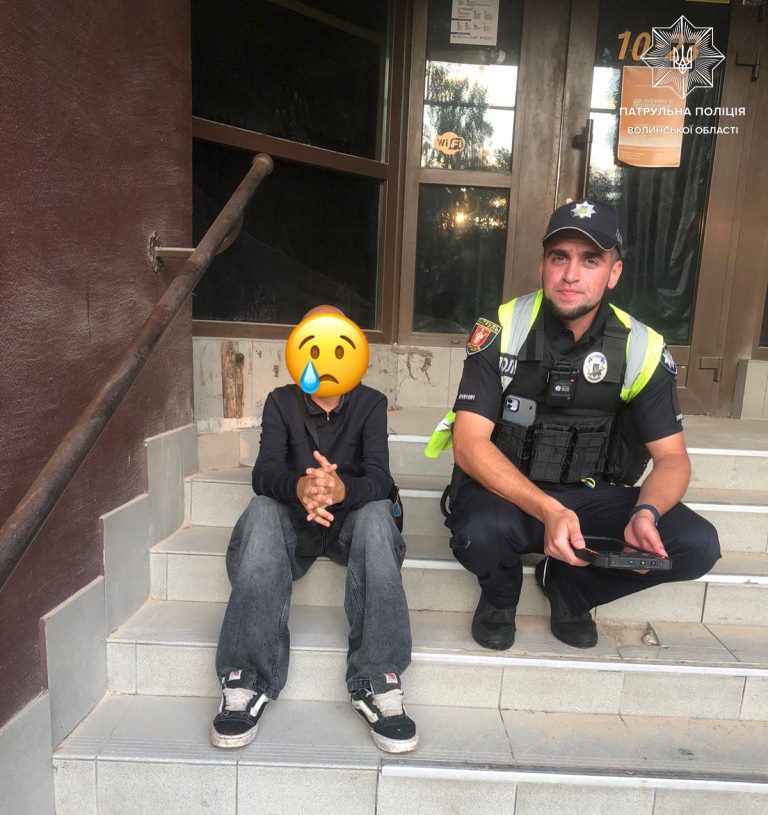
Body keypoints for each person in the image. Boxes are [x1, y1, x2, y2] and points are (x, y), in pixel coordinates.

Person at [427, 200, 721, 650]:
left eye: (590, 260)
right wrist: (549, 510)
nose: (570, 274)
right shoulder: (503, 327)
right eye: (559, 257)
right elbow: (468, 444)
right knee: (479, 533)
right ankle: (501, 594)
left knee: (696, 544)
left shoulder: (641, 346)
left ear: (614, 272)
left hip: (590, 494)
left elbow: (672, 458)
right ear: (543, 264)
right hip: (509, 495)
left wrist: (646, 513)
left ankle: (571, 587)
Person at [211, 305, 418, 753]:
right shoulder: (281, 402)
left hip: (349, 526)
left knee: (377, 513)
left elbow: (379, 477)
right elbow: (264, 473)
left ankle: (378, 678)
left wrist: (340, 490)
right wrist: (301, 486)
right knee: (262, 509)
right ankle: (246, 677)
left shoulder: (371, 404)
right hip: (295, 524)